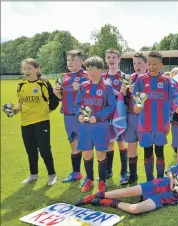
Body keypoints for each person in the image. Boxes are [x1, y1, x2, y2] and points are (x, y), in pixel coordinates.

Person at [75, 148, 178, 215]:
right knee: (124, 192)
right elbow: (170, 170)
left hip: (164, 198)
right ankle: (94, 196)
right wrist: (171, 178)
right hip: (157, 185)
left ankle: (109, 202)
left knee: (135, 209)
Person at [10, 58, 59, 186]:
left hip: (41, 121)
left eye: (29, 68)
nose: (26, 71)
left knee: (44, 149)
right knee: (30, 150)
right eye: (24, 69)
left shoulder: (44, 83)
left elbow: (54, 99)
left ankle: (52, 175)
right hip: (25, 122)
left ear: (37, 69)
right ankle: (33, 174)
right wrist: (13, 111)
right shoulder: (21, 85)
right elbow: (20, 105)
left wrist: (47, 110)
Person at [74, 56, 116, 193]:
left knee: (100, 154)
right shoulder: (83, 86)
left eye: (92, 69)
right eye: (87, 69)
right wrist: (79, 115)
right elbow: (77, 105)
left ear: (100, 70)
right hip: (85, 127)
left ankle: (102, 181)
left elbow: (111, 106)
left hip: (100, 126)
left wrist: (97, 117)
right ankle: (90, 179)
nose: (89, 72)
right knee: (86, 154)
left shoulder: (106, 86)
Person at [132, 51, 172, 181]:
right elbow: (136, 99)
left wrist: (168, 123)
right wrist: (136, 107)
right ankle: (150, 180)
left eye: (154, 64)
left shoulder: (166, 81)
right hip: (145, 124)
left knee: (160, 152)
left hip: (161, 124)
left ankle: (160, 180)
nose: (151, 66)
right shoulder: (141, 79)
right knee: (147, 153)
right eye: (149, 64)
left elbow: (170, 103)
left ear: (161, 65)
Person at [53, 50, 88, 183]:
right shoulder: (64, 77)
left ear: (81, 62)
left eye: (73, 60)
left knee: (85, 145)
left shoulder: (86, 76)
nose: (70, 63)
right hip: (68, 115)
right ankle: (76, 173)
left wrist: (81, 88)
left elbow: (92, 95)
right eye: (68, 60)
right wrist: (58, 95)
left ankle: (88, 176)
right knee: (73, 144)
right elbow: (63, 98)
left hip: (82, 116)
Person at [101, 48, 129, 185]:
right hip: (107, 115)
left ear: (119, 60)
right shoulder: (102, 77)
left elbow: (128, 96)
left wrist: (117, 93)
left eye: (113, 57)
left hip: (120, 114)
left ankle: (124, 172)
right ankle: (108, 171)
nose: (111, 59)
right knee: (109, 143)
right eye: (108, 57)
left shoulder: (123, 76)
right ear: (106, 59)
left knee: (121, 143)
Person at [120, 53, 148, 185]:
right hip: (131, 117)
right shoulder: (129, 78)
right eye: (135, 63)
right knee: (131, 146)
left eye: (140, 63)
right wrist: (125, 93)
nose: (137, 66)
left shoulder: (150, 79)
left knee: (148, 148)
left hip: (146, 117)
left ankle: (150, 177)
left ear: (146, 64)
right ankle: (133, 175)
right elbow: (124, 101)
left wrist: (137, 92)